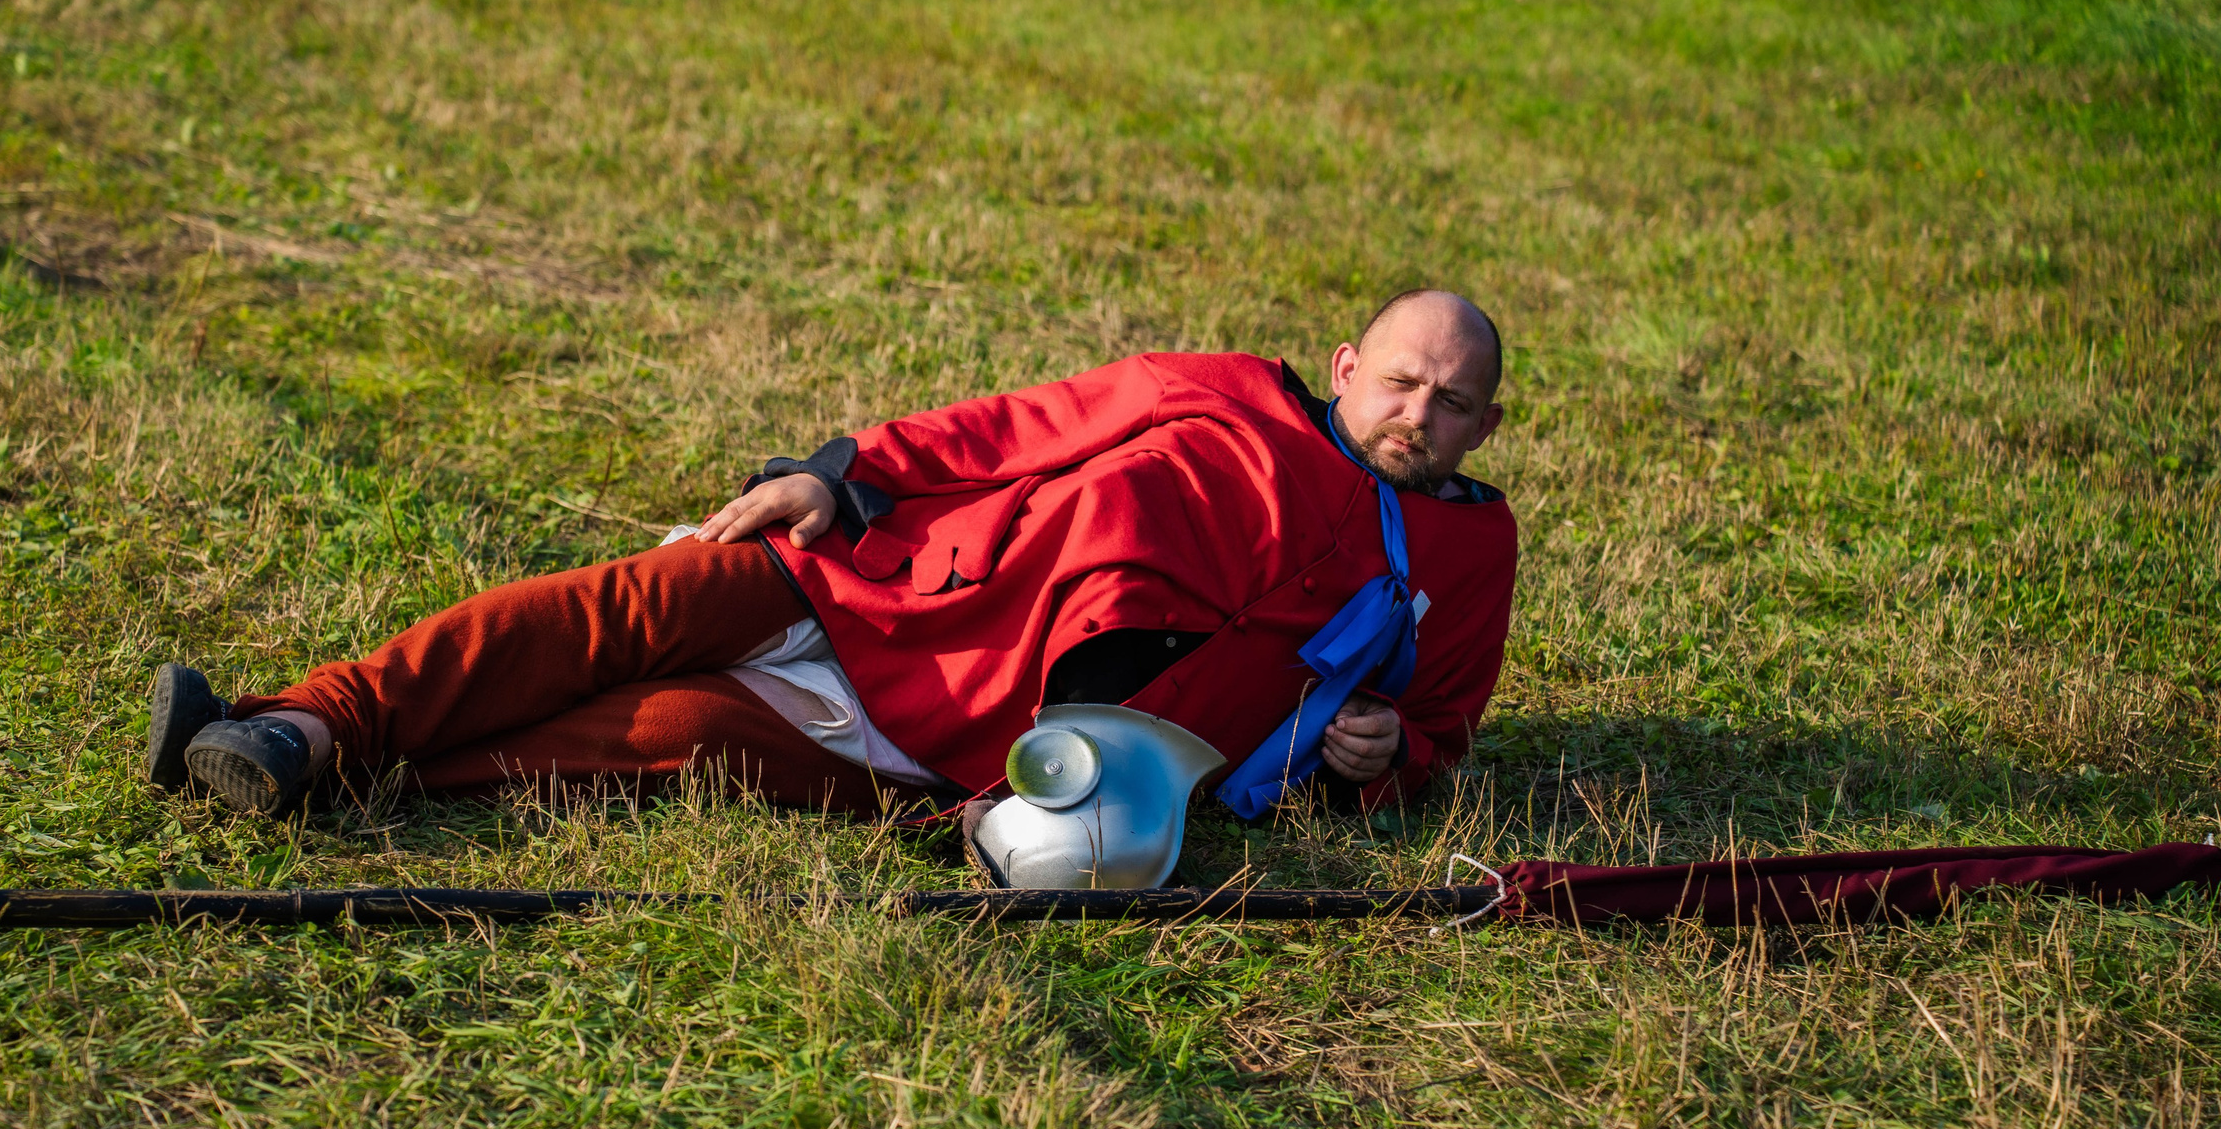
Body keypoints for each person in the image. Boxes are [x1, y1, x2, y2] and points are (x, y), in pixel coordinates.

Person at [144, 288, 1519, 823]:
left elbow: (1437, 741)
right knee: (622, 609)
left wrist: (1380, 755)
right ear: (1349, 364)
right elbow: (1015, 426)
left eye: (1451, 405)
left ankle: (312, 776)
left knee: (653, 737)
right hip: (902, 580)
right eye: (1400, 381)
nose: (1417, 416)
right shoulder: (1226, 391)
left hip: (980, 757)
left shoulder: (1466, 556)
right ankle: (310, 726)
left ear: (1484, 424)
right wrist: (835, 475)